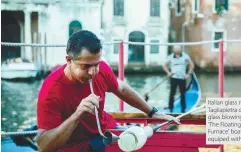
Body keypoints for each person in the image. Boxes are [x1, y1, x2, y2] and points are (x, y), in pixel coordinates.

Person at [36, 30, 180, 152]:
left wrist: (152, 112)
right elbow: (43, 146)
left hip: (104, 131)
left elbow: (121, 88)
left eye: (96, 64)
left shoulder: (101, 69)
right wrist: (77, 115)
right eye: (85, 66)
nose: (93, 72)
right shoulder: (51, 90)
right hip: (75, 147)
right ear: (68, 60)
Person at [163, 45, 194, 113]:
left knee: (182, 93)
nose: (177, 50)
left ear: (181, 49)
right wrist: (168, 72)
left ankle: (183, 108)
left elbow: (191, 65)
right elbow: (164, 65)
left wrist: (188, 74)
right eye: (176, 49)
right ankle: (170, 107)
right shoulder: (171, 56)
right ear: (174, 50)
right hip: (174, 77)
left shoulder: (185, 56)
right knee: (172, 93)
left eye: (178, 49)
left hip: (182, 78)